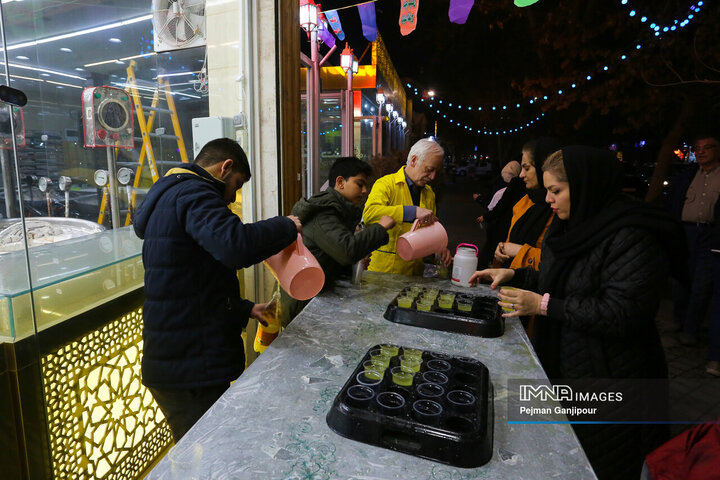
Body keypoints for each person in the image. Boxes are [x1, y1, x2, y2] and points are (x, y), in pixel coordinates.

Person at [469, 146, 686, 480]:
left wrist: (542, 305)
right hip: (568, 363)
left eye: (556, 191)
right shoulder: (570, 225)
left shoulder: (633, 236)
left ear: (586, 186)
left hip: (613, 378)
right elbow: (561, 279)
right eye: (548, 191)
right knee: (562, 453)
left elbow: (623, 313)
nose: (549, 200)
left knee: (600, 464)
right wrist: (515, 275)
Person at [133, 138, 301, 442]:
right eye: (236, 184)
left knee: (204, 450)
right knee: (210, 456)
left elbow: (191, 282)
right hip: (189, 367)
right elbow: (235, 245)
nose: (232, 196)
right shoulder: (194, 193)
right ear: (225, 168)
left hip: (179, 359)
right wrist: (286, 226)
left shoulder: (172, 196)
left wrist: (246, 308)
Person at [280, 157, 396, 325]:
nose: (365, 191)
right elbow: (346, 251)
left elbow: (334, 251)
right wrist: (380, 228)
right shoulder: (324, 212)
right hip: (303, 302)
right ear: (340, 182)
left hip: (317, 293)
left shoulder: (342, 210)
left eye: (366, 186)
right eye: (359, 184)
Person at [666, 132, 720, 376]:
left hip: (710, 234)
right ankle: (679, 320)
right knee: (681, 277)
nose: (701, 151)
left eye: (707, 147)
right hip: (685, 233)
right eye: (698, 148)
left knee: (702, 282)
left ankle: (691, 328)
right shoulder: (687, 176)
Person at [363, 138, 452, 276]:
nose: (433, 177)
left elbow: (429, 229)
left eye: (436, 171)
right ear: (414, 160)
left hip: (415, 274)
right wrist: (411, 211)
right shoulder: (386, 184)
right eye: (429, 170)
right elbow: (370, 214)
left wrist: (438, 248)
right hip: (383, 274)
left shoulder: (429, 193)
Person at [493, 137, 561, 270]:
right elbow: (510, 241)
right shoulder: (526, 200)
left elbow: (557, 261)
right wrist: (501, 250)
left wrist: (520, 251)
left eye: (527, 168)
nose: (521, 175)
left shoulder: (562, 208)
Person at [476, 160, 526, 268]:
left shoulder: (514, 185)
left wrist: (486, 215)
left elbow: (499, 207)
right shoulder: (522, 187)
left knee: (493, 250)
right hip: (508, 227)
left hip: (500, 226)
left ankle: (485, 273)